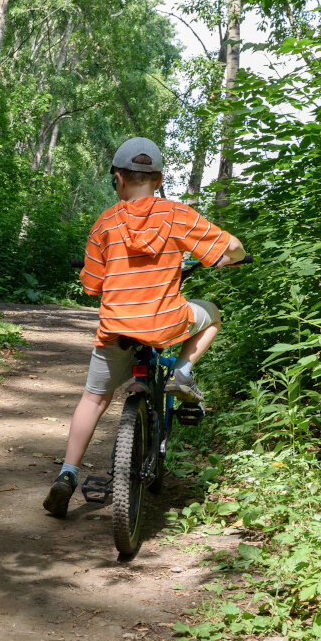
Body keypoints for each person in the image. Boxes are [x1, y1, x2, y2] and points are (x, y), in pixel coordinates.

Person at [42, 137, 245, 517]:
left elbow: (91, 285)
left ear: (118, 178)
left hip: (116, 328)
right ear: (159, 178)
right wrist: (234, 257)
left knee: (94, 398)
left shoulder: (105, 222)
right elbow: (230, 247)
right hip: (166, 323)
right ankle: (182, 373)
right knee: (211, 314)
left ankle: (68, 473)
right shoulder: (178, 215)